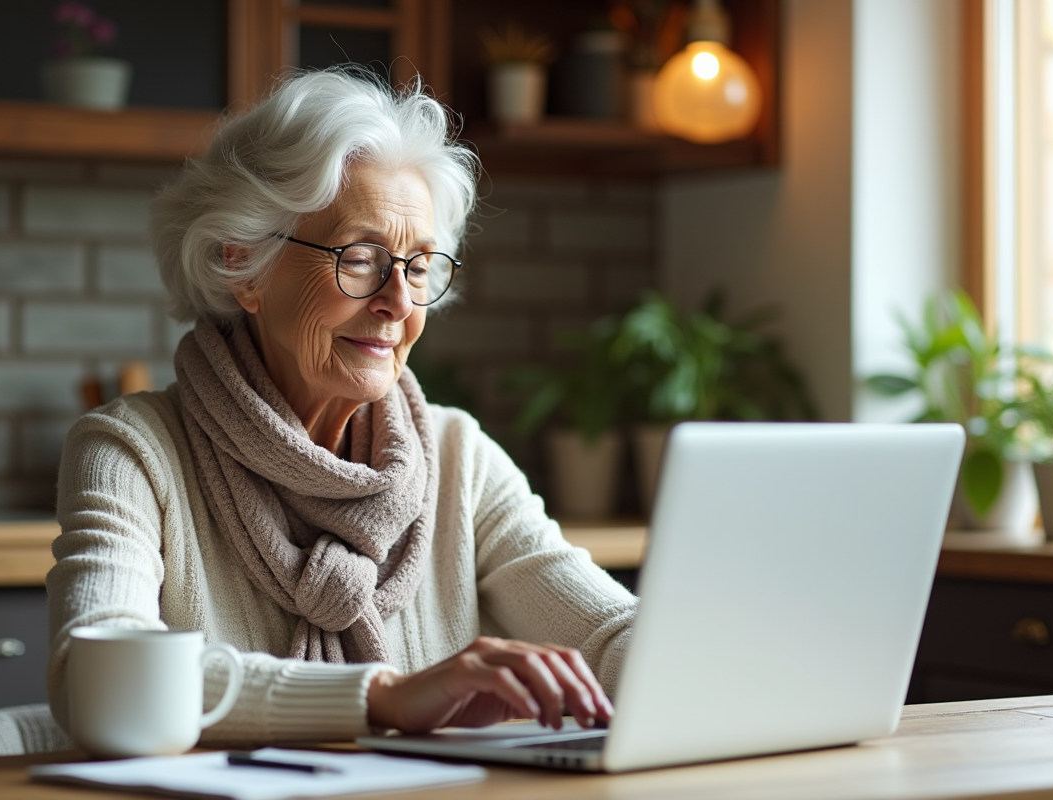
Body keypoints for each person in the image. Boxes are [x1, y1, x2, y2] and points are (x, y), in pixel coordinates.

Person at [47, 68, 638, 746]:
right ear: (244, 264)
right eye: (360, 258)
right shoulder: (131, 452)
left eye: (418, 268)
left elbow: (607, 632)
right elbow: (98, 679)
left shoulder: (458, 456)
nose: (397, 301)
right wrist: (382, 697)